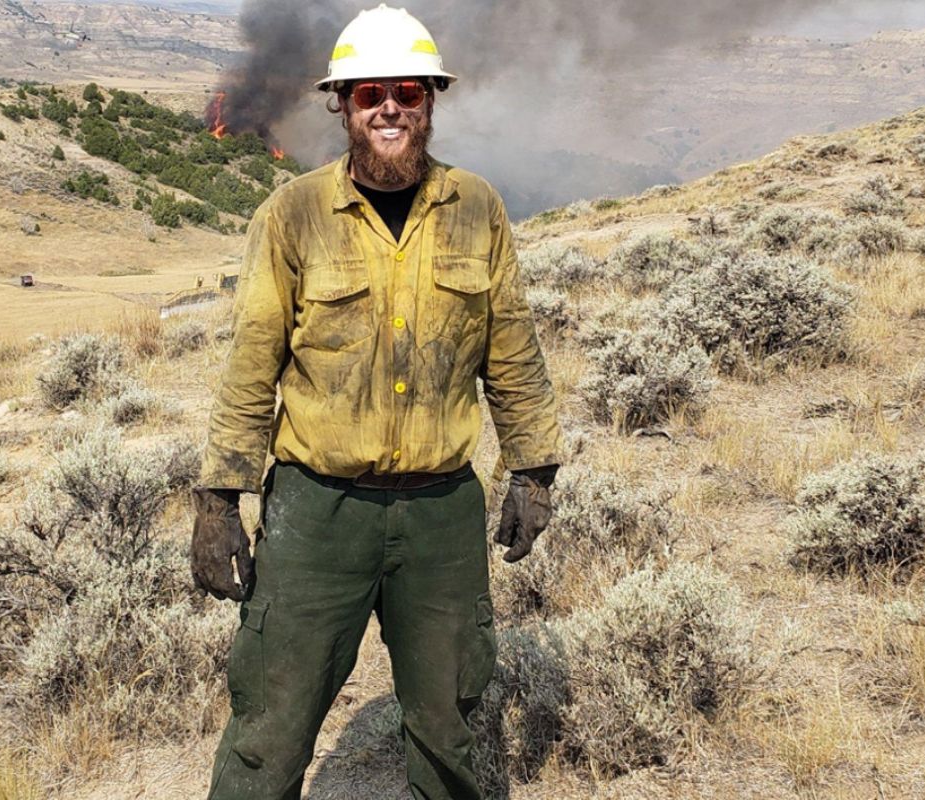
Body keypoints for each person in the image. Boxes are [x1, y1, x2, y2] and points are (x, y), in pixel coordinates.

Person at [191, 5, 562, 798]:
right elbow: (252, 362)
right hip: (317, 516)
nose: (389, 107)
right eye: (370, 94)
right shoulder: (292, 216)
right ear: (343, 104)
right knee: (269, 731)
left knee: (449, 726)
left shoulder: (477, 209)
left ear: (430, 99)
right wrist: (219, 496)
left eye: (407, 91)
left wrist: (534, 470)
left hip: (440, 516)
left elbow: (514, 350)